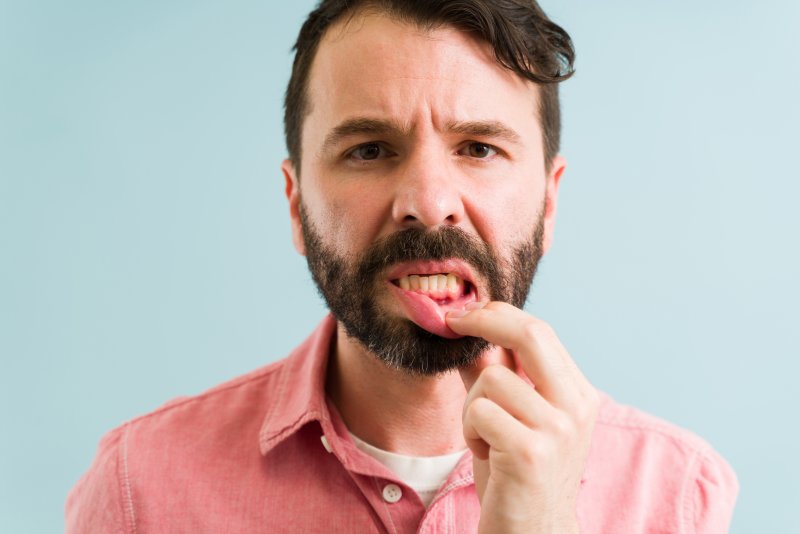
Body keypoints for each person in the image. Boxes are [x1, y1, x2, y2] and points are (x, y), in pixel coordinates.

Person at [66, 1, 739, 532]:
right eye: (368, 149)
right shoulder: (139, 490)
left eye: (477, 147)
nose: (428, 204)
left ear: (549, 203)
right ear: (296, 205)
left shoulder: (678, 496)